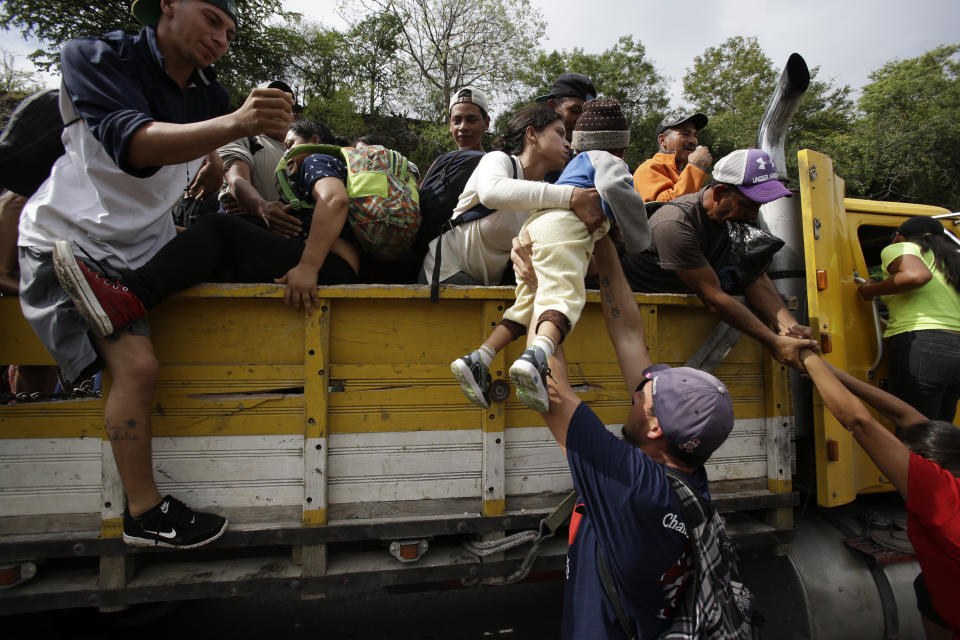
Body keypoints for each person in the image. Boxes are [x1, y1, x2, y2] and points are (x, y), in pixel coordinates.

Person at [16, 0, 295, 549]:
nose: (222, 38)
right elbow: (134, 147)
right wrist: (235, 124)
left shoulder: (209, 96)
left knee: (99, 370)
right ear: (167, 5)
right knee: (134, 368)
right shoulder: (94, 57)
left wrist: (213, 155)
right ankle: (143, 513)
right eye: (212, 19)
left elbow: (202, 145)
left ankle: (48, 451)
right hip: (68, 242)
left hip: (140, 255)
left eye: (231, 31)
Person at [512, 230, 741, 638]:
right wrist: (602, 243)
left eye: (644, 396)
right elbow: (630, 335)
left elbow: (548, 389)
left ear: (655, 428)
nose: (636, 391)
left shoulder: (631, 487)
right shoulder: (684, 478)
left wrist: (541, 287)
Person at [451, 99, 650, 413]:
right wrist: (638, 236)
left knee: (529, 305)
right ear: (621, 149)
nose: (566, 142)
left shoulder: (560, 177)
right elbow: (615, 187)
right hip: (551, 233)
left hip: (537, 231)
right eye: (559, 132)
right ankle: (535, 359)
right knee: (564, 297)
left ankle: (480, 358)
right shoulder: (600, 161)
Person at [798, 350, 960, 639]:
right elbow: (907, 417)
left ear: (932, 466)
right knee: (926, 585)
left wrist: (808, 357)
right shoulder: (953, 458)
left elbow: (859, 422)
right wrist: (834, 374)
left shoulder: (944, 496)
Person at [620, 148, 815, 370]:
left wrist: (791, 330)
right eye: (748, 204)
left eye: (759, 205)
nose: (754, 213)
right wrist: (774, 341)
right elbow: (713, 296)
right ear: (720, 192)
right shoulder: (675, 224)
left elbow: (754, 278)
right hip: (644, 322)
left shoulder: (737, 219)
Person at [420, 104, 604, 287]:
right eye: (559, 133)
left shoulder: (543, 193)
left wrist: (588, 255)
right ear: (531, 134)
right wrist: (572, 196)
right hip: (444, 273)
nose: (568, 144)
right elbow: (492, 193)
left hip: (486, 286)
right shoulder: (498, 160)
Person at [857, 215, 960, 423]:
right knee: (939, 435)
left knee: (915, 431)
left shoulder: (903, 247)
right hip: (956, 350)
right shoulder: (950, 261)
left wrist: (870, 290)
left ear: (898, 236)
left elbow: (915, 275)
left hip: (923, 344)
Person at [218, 80, 300, 233]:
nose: (277, 111)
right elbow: (237, 179)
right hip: (247, 233)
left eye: (283, 107)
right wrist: (260, 207)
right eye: (270, 105)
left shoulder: (302, 151)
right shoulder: (241, 137)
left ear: (292, 116)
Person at [632, 110, 713, 203]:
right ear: (662, 140)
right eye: (685, 134)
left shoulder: (682, 173)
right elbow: (663, 208)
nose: (693, 141)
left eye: (695, 135)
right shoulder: (649, 168)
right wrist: (696, 167)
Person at [535, 73, 597, 142]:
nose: (582, 120)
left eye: (587, 114)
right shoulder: (531, 145)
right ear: (552, 107)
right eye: (575, 111)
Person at [448, 87, 490, 152]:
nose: (463, 127)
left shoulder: (495, 161)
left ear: (486, 123)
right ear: (450, 124)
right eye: (457, 121)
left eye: (471, 120)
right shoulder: (443, 161)